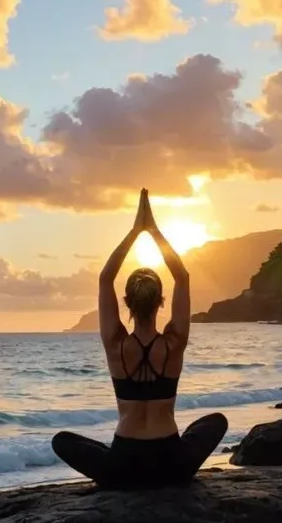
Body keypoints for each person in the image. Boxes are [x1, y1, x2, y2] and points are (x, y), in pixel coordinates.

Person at [52, 189, 227, 489]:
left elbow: (105, 277)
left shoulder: (115, 344)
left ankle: (117, 470)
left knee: (62, 441)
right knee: (216, 422)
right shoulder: (175, 342)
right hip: (172, 463)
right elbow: (182, 276)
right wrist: (153, 231)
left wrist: (136, 231)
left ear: (126, 303)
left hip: (124, 465)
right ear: (161, 301)